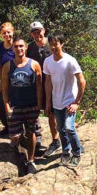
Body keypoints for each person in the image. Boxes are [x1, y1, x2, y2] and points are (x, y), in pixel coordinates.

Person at [44, 33, 86, 168]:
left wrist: (76, 102)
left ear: (62, 44)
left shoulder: (70, 60)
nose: (53, 47)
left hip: (69, 101)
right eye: (51, 44)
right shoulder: (48, 61)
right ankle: (66, 152)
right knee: (61, 129)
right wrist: (48, 103)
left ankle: (77, 152)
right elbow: (48, 82)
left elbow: (82, 81)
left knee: (69, 127)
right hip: (56, 101)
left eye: (56, 44)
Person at [2, 36, 43, 174]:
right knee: (15, 136)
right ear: (13, 49)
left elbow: (39, 86)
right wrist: (7, 106)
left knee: (31, 133)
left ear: (25, 48)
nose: (19, 49)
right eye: (16, 46)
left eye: (21, 46)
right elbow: (5, 88)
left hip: (31, 105)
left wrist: (39, 104)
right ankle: (20, 153)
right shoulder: (8, 66)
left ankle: (31, 161)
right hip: (15, 106)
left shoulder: (34, 64)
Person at [26, 21, 60, 157]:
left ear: (44, 31)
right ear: (31, 34)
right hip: (37, 85)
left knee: (52, 113)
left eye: (39, 31)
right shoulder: (30, 48)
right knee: (35, 111)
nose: (37, 34)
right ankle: (37, 138)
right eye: (34, 32)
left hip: (53, 85)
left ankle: (56, 140)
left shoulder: (51, 44)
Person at [0, 22, 15, 137]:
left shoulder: (17, 45)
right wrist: (2, 81)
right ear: (1, 35)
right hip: (5, 81)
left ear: (13, 32)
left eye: (9, 32)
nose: (7, 35)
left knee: (15, 106)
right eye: (4, 33)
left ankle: (17, 130)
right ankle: (8, 127)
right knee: (0, 106)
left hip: (17, 81)